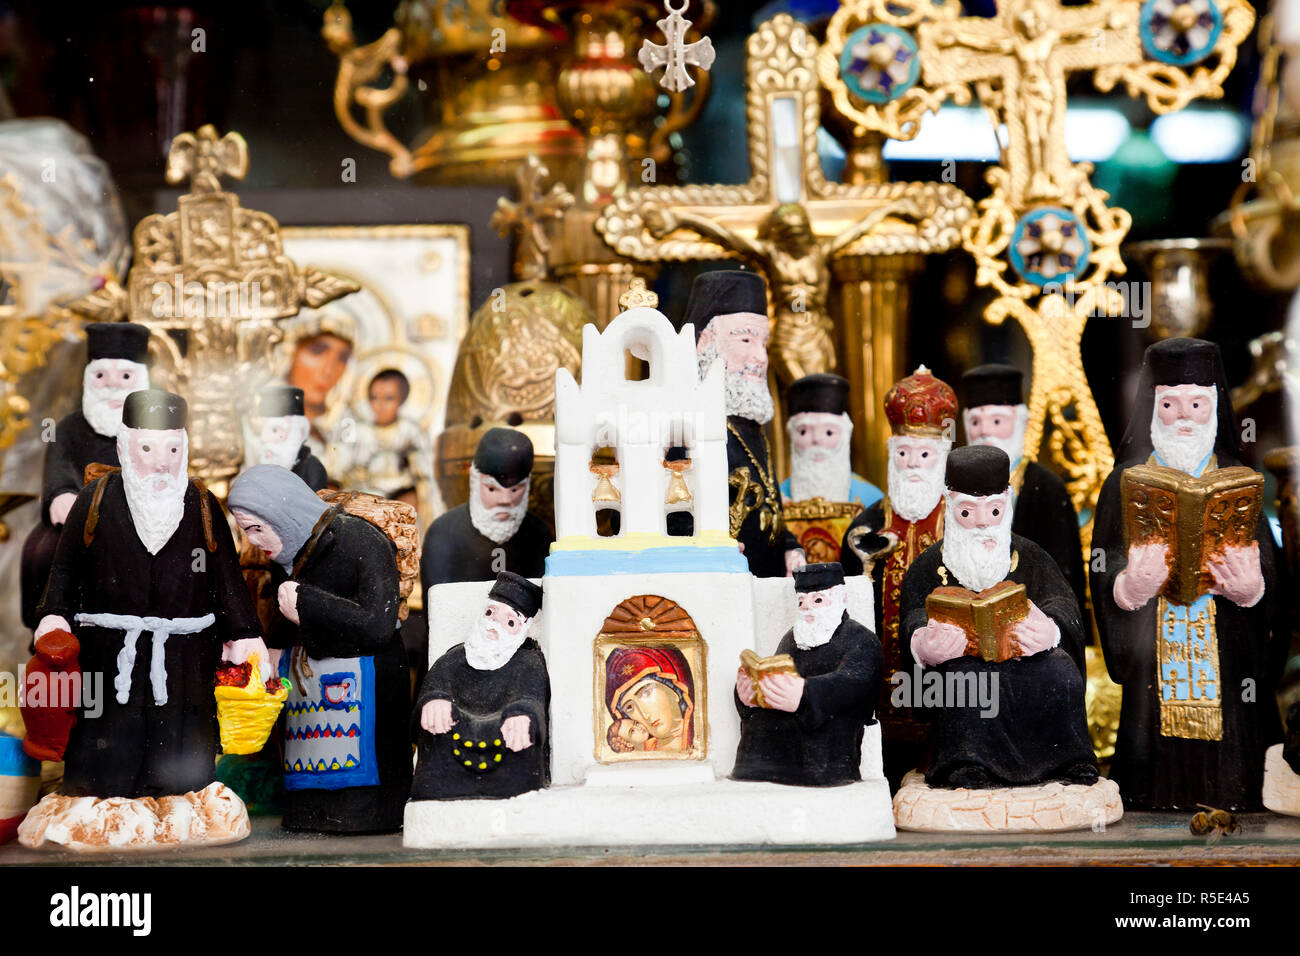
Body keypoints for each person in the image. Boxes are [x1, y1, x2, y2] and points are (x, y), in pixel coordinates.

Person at [34, 389, 267, 799]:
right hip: (106, 655)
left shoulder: (203, 505)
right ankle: (99, 806)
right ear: (125, 446)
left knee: (180, 760)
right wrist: (54, 617)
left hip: (185, 659)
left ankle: (182, 807)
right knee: (106, 750)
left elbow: (226, 580)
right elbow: (66, 571)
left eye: (173, 448)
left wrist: (244, 632)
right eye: (147, 447)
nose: (161, 461)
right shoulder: (94, 501)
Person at [1091, 337, 1282, 810]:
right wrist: (1127, 587)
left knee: (1236, 766)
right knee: (1150, 767)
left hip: (1227, 652)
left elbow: (1277, 578)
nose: (1183, 416)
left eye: (1197, 404)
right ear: (1152, 408)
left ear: (1214, 406)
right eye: (1170, 403)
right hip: (1152, 649)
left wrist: (1253, 590)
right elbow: (1102, 562)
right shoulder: (1122, 483)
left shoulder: (1239, 479)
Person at [900, 445, 1097, 789]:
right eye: (967, 513)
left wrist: (1049, 631)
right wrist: (924, 644)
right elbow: (913, 616)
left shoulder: (1031, 556)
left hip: (1026, 660)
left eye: (992, 512)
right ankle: (966, 766)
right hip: (963, 664)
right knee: (962, 678)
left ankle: (1069, 761)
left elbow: (1064, 605)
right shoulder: (928, 565)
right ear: (951, 507)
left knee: (1059, 667)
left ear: (1006, 504)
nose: (980, 524)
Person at [228, 464, 411, 832]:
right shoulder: (290, 554)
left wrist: (310, 605)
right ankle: (310, 809)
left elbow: (377, 625)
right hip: (311, 692)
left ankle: (364, 814)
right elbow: (287, 623)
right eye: (245, 531)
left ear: (283, 514)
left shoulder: (361, 541)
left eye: (256, 529)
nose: (253, 541)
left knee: (361, 777)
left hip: (367, 687)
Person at [838, 365, 956, 785]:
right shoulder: (866, 526)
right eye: (903, 454)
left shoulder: (964, 524)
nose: (911, 465)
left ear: (941, 457)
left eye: (923, 456)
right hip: (878, 694)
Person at [21, 322, 151, 628]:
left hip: (140, 516)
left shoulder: (153, 429)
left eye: (125, 377)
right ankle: (49, 625)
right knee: (42, 551)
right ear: (87, 381)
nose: (112, 385)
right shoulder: (67, 427)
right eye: (101, 376)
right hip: (78, 520)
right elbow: (57, 467)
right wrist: (62, 495)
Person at [686, 270, 804, 577]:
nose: (761, 357)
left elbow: (767, 509)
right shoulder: (679, 425)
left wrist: (790, 548)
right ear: (705, 342)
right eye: (747, 339)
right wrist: (708, 548)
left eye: (763, 342)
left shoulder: (750, 426)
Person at [732, 562, 882, 786]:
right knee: (760, 722)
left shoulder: (861, 639)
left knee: (823, 734)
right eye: (801, 602)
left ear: (841, 599)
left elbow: (853, 683)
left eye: (817, 600)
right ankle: (755, 778)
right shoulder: (793, 638)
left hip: (835, 724)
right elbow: (776, 672)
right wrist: (752, 695)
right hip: (790, 721)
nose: (807, 608)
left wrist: (806, 694)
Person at [411, 572, 550, 799]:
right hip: (455, 730)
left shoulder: (527, 662)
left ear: (523, 629)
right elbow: (434, 686)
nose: (494, 625)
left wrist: (523, 714)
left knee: (520, 736)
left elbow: (531, 697)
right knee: (435, 731)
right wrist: (434, 700)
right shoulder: (454, 657)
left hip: (503, 735)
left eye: (510, 622)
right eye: (490, 613)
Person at [961, 363, 1085, 614]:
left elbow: (1063, 571)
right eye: (975, 422)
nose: (984, 431)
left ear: (1022, 423)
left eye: (996, 421)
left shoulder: (1047, 487)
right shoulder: (955, 487)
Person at [420, 427, 553, 587]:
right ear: (475, 481)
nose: (505, 500)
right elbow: (437, 603)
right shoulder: (443, 533)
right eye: (492, 488)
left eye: (515, 490)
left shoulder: (538, 534)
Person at [781, 373, 882, 508]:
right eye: (804, 432)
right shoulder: (778, 496)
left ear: (845, 435)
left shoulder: (872, 499)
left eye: (829, 432)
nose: (816, 440)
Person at [335, 368, 432, 508]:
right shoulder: (358, 431)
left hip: (400, 496)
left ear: (402, 399)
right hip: (363, 496)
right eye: (374, 398)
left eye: (389, 398)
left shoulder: (410, 431)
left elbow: (422, 473)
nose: (380, 405)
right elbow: (341, 470)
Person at [604, 645, 696, 753]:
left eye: (646, 693)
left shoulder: (696, 738)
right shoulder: (646, 750)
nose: (645, 715)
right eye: (629, 707)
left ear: (673, 692)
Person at [250, 385, 328, 490]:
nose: (264, 438)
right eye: (262, 430)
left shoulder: (312, 471)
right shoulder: (259, 471)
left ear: (299, 433)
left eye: (275, 430)